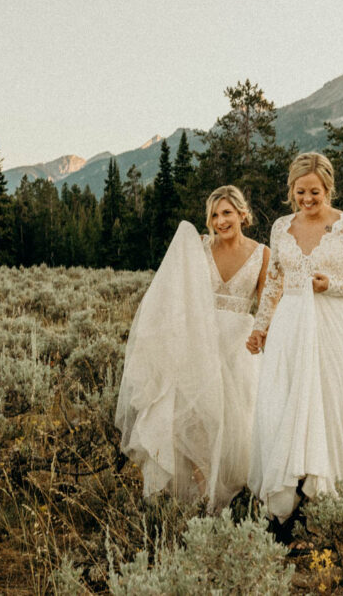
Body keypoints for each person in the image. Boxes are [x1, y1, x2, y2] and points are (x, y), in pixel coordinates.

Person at [246, 152, 343, 527]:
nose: (307, 200)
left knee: (328, 401)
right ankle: (287, 500)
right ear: (291, 190)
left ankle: (324, 496)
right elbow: (274, 282)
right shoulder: (280, 227)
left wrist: (333, 285)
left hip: (329, 323)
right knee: (284, 403)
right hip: (290, 325)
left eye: (315, 192)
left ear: (328, 189)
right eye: (300, 192)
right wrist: (261, 327)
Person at [115, 185, 269, 511]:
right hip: (201, 340)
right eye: (214, 214)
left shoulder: (261, 253)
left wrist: (261, 331)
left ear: (243, 214)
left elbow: (267, 303)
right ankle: (203, 492)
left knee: (236, 422)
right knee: (194, 419)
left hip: (239, 344)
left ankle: (232, 491)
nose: (220, 220)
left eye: (227, 212)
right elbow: (176, 291)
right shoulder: (199, 247)